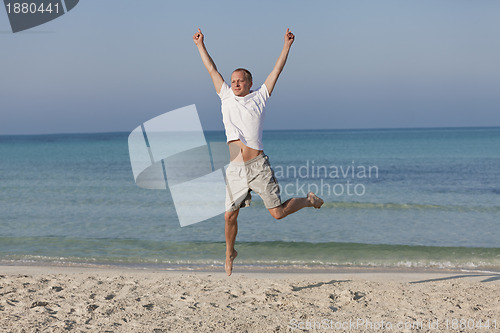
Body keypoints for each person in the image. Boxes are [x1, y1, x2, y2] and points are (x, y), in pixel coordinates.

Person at [193, 28, 324, 276]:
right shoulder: (225, 96)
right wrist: (201, 45)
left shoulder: (260, 97)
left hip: (258, 166)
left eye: (240, 80)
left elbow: (276, 71)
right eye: (232, 81)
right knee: (229, 216)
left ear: (250, 83)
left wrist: (287, 46)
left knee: (277, 214)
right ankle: (230, 252)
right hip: (235, 168)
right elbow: (212, 69)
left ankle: (308, 200)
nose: (235, 84)